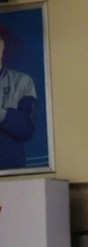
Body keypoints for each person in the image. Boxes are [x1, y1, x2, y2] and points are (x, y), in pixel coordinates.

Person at [0, 28, 38, 170]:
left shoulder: (22, 81)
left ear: (2, 45)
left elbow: (26, 128)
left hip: (12, 175)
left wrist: (2, 115)